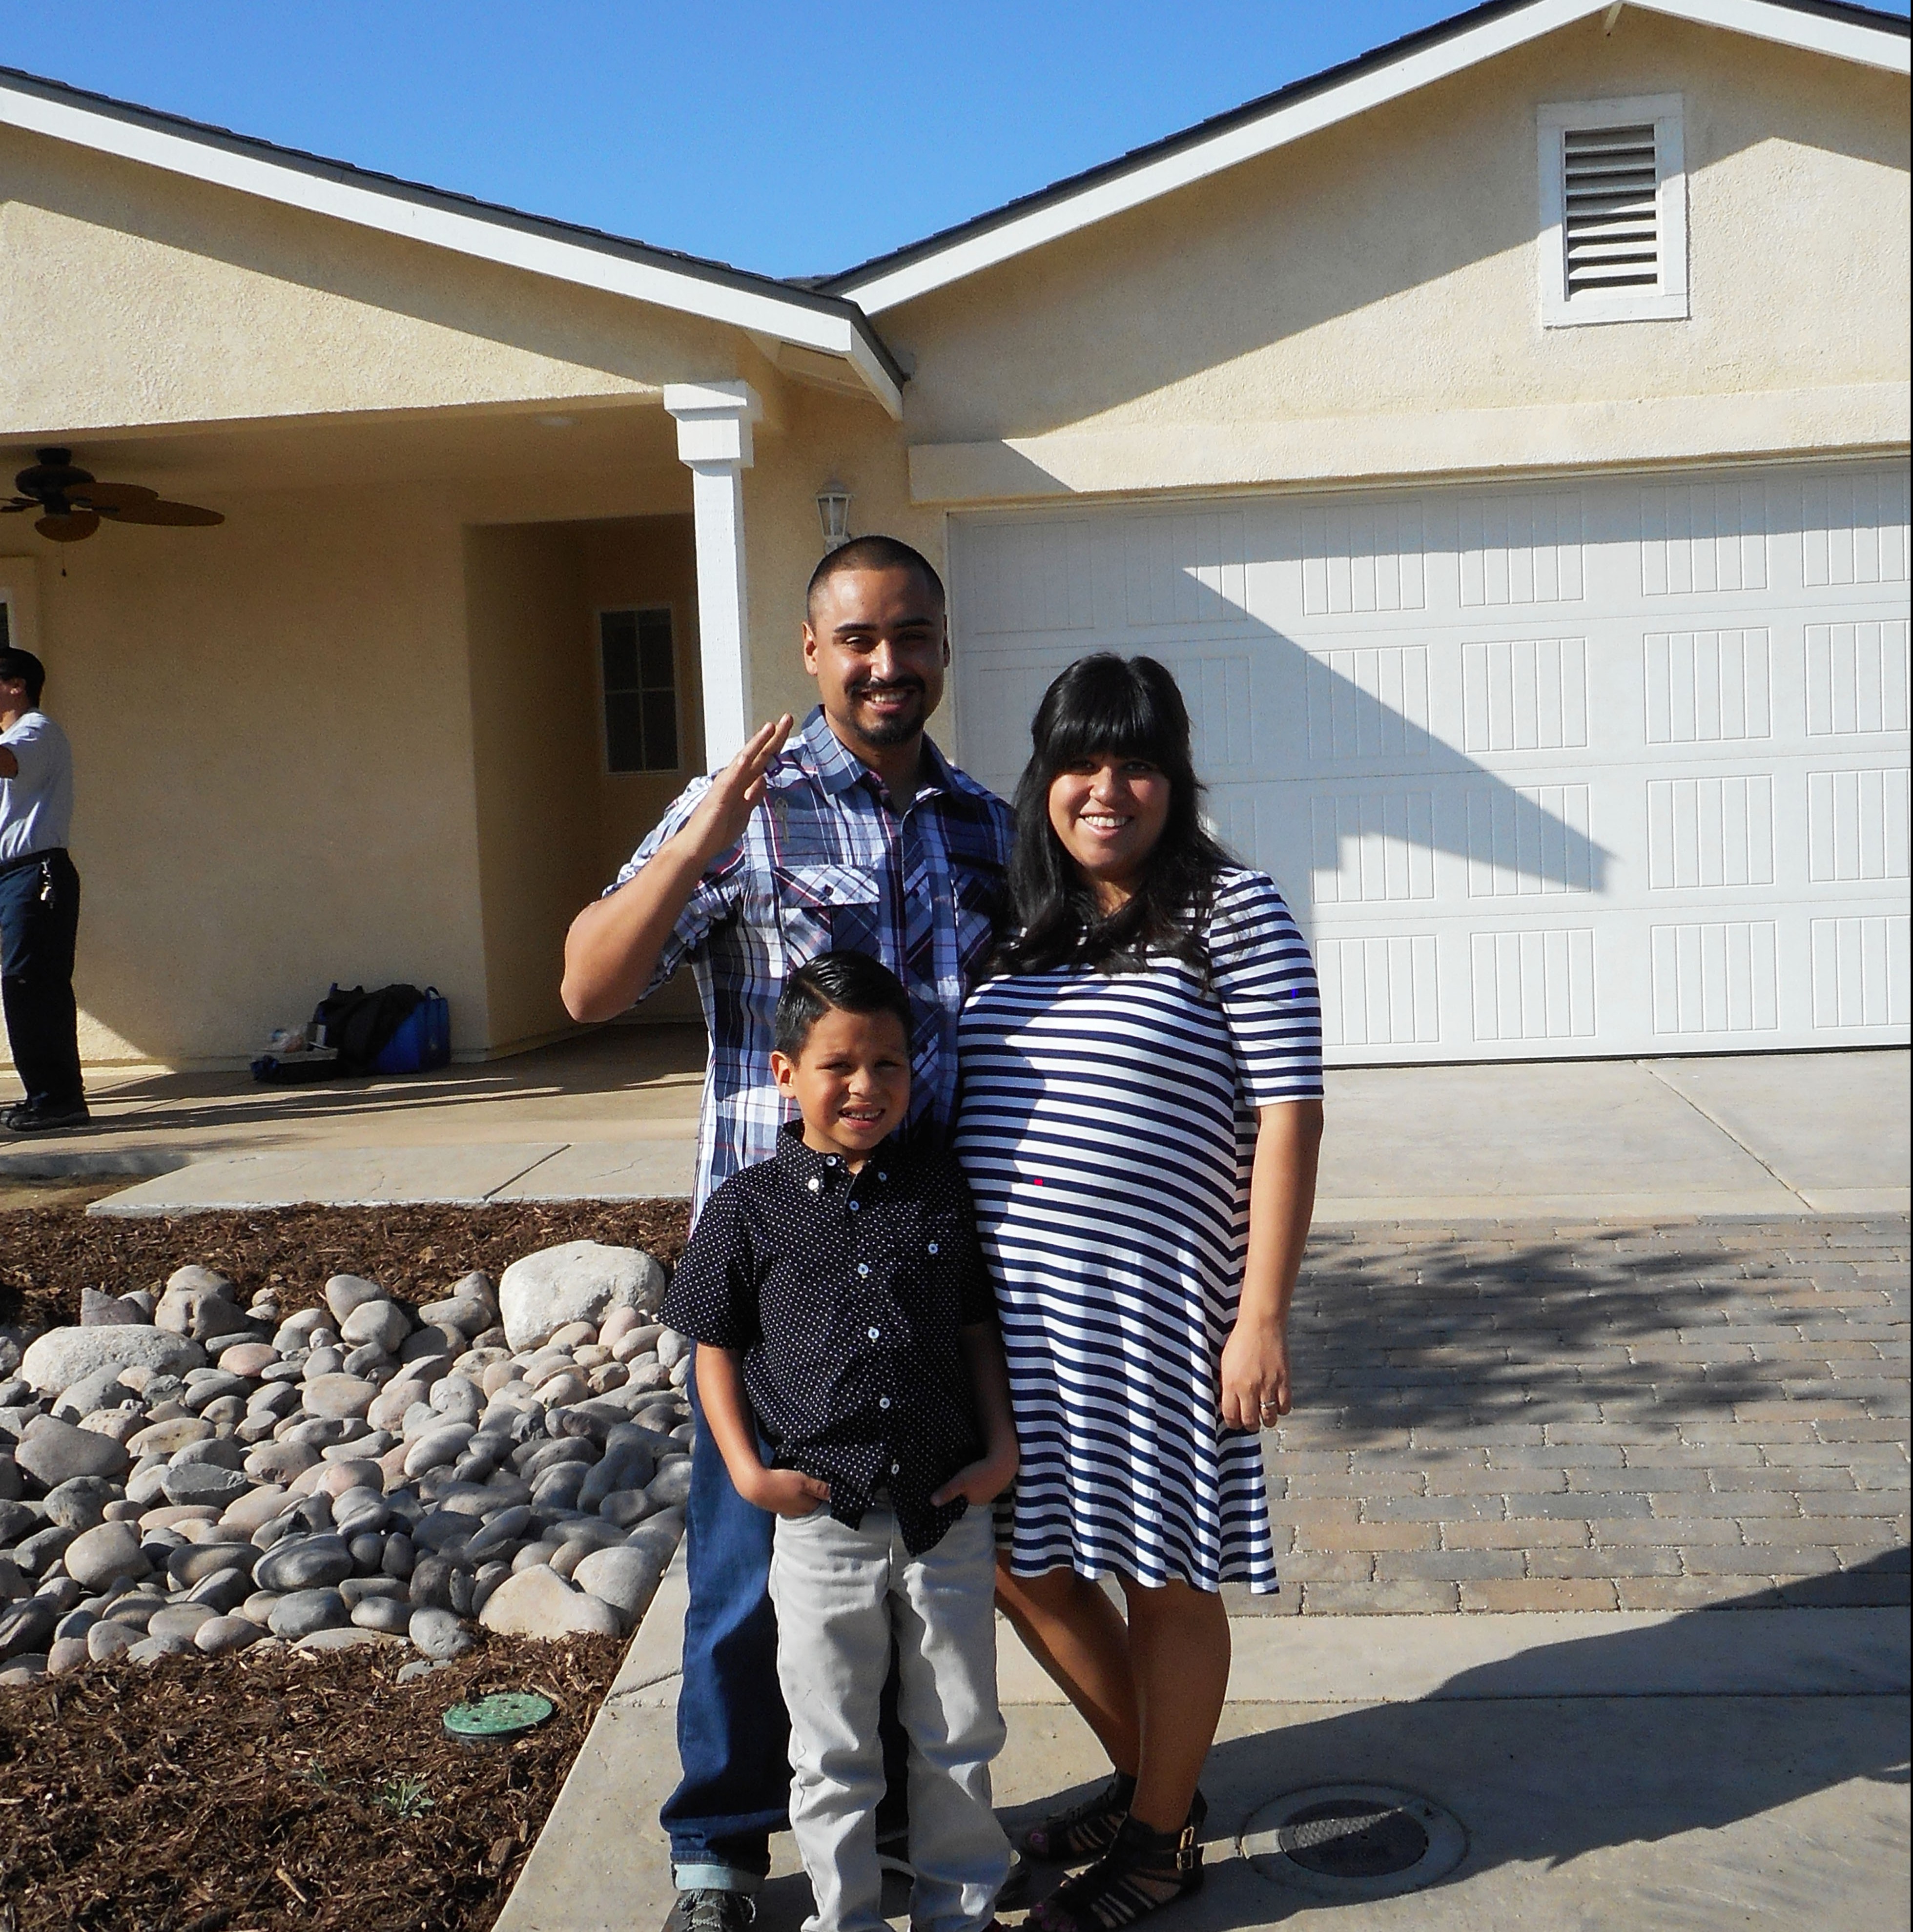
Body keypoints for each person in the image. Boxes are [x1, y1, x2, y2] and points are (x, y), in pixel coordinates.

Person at [561, 535, 1015, 1932]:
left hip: (923, 1261)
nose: (889, 663)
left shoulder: (982, 825)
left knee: (900, 1580)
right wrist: (695, 838)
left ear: (942, 645)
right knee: (745, 1564)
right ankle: (714, 1846)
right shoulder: (739, 810)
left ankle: (878, 1829)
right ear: (812, 652)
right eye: (860, 638)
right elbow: (586, 981)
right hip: (775, 1269)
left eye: (914, 635)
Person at [952, 653, 1324, 1932]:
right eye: (1080, 761)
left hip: (1162, 1318)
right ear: (1043, 775)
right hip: (1019, 1330)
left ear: (1173, 777)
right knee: (1020, 1553)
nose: (1106, 788)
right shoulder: (1013, 927)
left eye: (1136, 762)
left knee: (1165, 1573)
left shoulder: (1233, 910)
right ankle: (1157, 1780)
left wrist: (1259, 1312)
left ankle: (1157, 1842)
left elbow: (1287, 1116)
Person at [664, 952, 1020, 1932]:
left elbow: (975, 1327)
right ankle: (845, 1915)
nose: (866, 1085)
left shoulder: (941, 1188)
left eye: (890, 1064)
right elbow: (713, 1346)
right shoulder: (747, 1206)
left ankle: (961, 1909)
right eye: (839, 1064)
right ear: (786, 1072)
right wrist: (745, 1470)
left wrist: (1001, 1451)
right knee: (831, 1741)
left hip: (947, 1509)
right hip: (821, 1520)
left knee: (958, 1724)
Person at [0, 646, 87, 1133]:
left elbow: (10, 763)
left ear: (17, 685)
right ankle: (47, 1095)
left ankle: (56, 1100)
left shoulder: (35, 730)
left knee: (33, 987)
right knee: (23, 987)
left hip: (34, 875)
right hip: (12, 875)